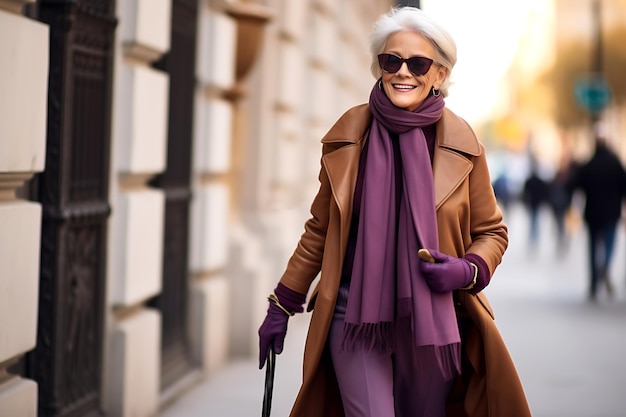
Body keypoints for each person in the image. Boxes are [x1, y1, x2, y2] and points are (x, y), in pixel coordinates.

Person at [258, 7, 531, 417]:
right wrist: (282, 304)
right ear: (379, 67)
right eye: (392, 60)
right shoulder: (348, 137)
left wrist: (467, 269)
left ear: (439, 74)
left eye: (418, 63)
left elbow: (492, 231)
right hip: (354, 318)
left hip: (436, 322)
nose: (404, 72)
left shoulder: (464, 144)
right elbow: (319, 230)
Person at [568, 137, 626, 300]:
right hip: (611, 214)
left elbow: (573, 185)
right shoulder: (615, 164)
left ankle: (594, 284)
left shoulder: (589, 164)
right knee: (609, 244)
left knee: (593, 250)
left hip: (592, 214)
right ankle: (605, 266)